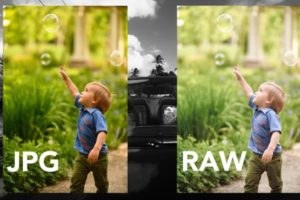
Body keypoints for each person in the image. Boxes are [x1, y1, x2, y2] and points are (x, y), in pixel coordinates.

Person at [59, 66, 111, 193]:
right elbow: (74, 91)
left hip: (99, 157)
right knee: (76, 182)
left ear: (94, 100)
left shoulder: (96, 114)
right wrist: (67, 78)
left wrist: (96, 149)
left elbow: (102, 132)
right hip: (82, 155)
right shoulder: (83, 108)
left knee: (101, 184)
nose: (81, 92)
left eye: (86, 90)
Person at [233, 66, 285, 193]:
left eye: (260, 91)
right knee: (250, 182)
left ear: (268, 100)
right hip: (256, 156)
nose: (256, 92)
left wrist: (270, 149)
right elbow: (248, 92)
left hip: (273, 157)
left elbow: (276, 132)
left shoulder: (270, 114)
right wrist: (241, 79)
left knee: (275, 184)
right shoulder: (257, 107)